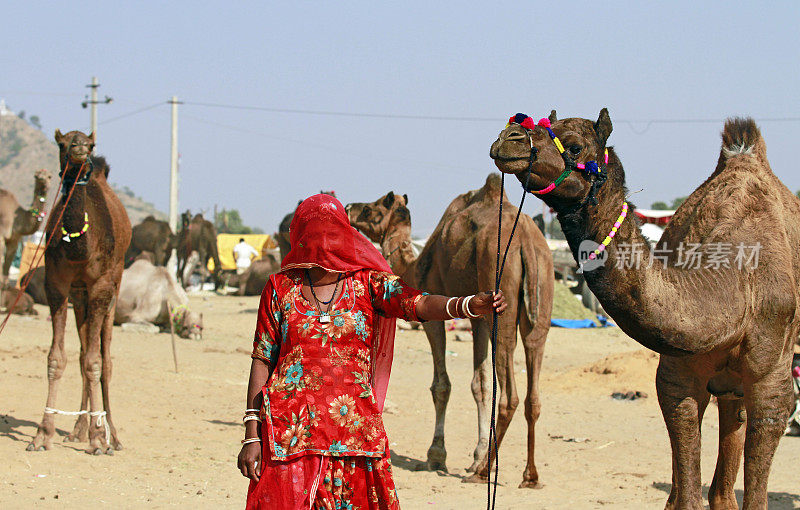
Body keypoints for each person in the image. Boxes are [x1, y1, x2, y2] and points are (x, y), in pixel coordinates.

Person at [238, 194, 506, 509]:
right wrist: (252, 434)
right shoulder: (280, 288)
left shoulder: (368, 283)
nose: (323, 239)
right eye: (314, 230)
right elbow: (262, 358)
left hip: (354, 436)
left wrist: (466, 305)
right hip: (290, 436)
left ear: (345, 233)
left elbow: (416, 302)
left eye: (331, 230)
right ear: (299, 234)